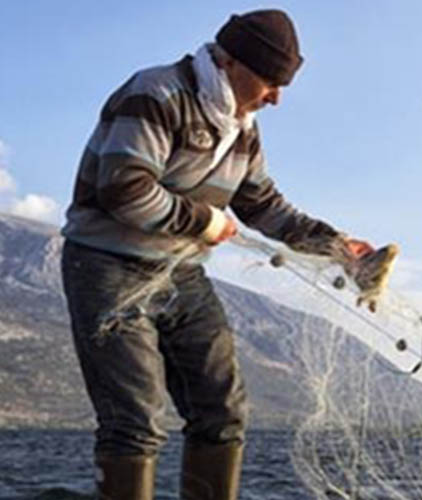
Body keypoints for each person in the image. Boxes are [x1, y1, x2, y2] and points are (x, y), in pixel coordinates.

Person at [60, 8, 375, 500]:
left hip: (181, 272)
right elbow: (123, 188)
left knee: (223, 412)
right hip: (106, 264)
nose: (276, 98)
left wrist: (339, 248)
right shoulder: (156, 93)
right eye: (271, 82)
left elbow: (263, 206)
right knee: (134, 420)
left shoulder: (242, 128)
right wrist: (204, 221)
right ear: (229, 62)